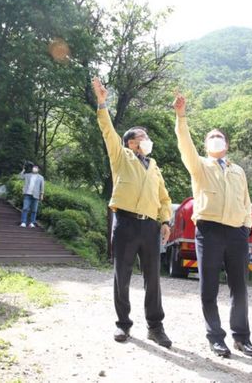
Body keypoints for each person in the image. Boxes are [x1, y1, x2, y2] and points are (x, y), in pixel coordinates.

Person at [173, 93, 252, 359]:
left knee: (239, 287)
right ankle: (215, 337)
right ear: (206, 145)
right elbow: (185, 144)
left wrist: (245, 226)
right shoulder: (200, 165)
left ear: (227, 144)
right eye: (211, 138)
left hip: (236, 233)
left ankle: (242, 338)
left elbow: (247, 201)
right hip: (208, 231)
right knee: (208, 286)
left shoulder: (238, 170)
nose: (216, 140)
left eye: (219, 137)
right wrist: (181, 116)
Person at [92, 77, 173, 348]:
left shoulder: (155, 167)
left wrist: (166, 220)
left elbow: (164, 197)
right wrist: (102, 102)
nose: (147, 140)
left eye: (147, 137)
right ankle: (123, 325)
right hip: (125, 222)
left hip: (150, 227)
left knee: (153, 278)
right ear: (130, 143)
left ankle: (155, 326)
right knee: (122, 276)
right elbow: (107, 131)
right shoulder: (121, 157)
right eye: (142, 137)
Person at [19, 164, 44, 228]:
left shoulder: (41, 177)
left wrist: (41, 194)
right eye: (34, 168)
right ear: (32, 168)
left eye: (36, 168)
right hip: (27, 194)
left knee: (34, 210)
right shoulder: (27, 175)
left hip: (36, 195)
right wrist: (23, 170)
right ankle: (23, 222)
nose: (34, 169)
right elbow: (20, 177)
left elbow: (42, 187)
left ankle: (32, 223)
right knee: (25, 208)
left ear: (38, 169)